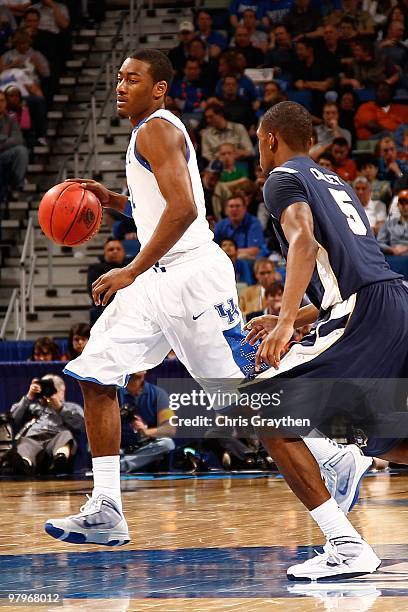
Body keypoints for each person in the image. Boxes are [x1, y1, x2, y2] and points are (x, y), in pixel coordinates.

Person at [44, 50, 366, 552]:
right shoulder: (149, 133)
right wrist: (113, 202)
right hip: (160, 279)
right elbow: (160, 207)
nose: (121, 85)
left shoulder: (155, 128)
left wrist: (130, 268)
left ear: (159, 89)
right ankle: (106, 505)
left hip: (190, 274)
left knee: (245, 397)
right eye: (119, 77)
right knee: (95, 371)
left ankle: (332, 454)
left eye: (133, 78)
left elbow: (185, 210)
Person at [245, 100, 408, 580]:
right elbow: (348, 267)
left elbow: (303, 243)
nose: (259, 148)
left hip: (368, 311)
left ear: (271, 138)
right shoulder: (335, 181)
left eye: (258, 139)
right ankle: (343, 461)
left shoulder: (281, 179)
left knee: (263, 409)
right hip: (393, 300)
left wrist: (283, 322)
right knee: (393, 439)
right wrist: (295, 316)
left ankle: (345, 545)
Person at [9, 374, 83, 475]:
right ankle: (25, 463)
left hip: (57, 437)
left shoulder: (72, 407)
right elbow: (13, 417)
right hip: (34, 438)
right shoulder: (34, 407)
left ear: (61, 392)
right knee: (25, 442)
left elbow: (80, 426)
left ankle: (60, 459)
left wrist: (59, 408)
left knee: (65, 435)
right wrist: (29, 396)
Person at [119, 372, 175, 473]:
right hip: (119, 448)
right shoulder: (114, 393)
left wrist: (146, 431)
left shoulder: (158, 394)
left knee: (167, 443)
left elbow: (170, 429)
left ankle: (121, 466)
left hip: (144, 448)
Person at [86, 237, 126, 324]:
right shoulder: (95, 268)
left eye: (118, 249)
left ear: (123, 252)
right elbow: (95, 293)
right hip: (104, 310)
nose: (115, 251)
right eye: (111, 249)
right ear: (105, 253)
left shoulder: (129, 269)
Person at [214, 194, 266, 260]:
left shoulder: (253, 223)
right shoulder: (220, 225)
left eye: (237, 206)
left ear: (245, 208)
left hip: (248, 260)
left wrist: (229, 252)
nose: (234, 209)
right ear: (226, 210)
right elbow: (213, 248)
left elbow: (254, 250)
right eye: (231, 206)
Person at [0, 90, 29, 202]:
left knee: (21, 151)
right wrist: (6, 139)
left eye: (2, 100)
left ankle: (17, 186)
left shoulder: (11, 118)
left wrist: (2, 140)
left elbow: (18, 139)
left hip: (5, 154)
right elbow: (11, 140)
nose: (0, 103)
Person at [377, 190, 408, 256]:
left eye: (407, 203)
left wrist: (406, 248)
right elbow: (379, 242)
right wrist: (391, 250)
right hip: (392, 256)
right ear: (398, 205)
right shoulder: (388, 224)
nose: (405, 206)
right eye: (402, 203)